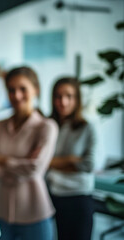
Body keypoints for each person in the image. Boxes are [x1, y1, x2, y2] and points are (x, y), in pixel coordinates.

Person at [0, 66, 58, 240]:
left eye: (23, 89)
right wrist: (20, 165)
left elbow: (35, 168)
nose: (17, 95)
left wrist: (1, 159)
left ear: (36, 90)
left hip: (35, 212)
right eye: (11, 90)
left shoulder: (46, 127)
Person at [47, 77, 97, 240]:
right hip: (51, 195)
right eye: (58, 96)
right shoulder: (47, 125)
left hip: (78, 197)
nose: (63, 101)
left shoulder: (87, 128)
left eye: (69, 96)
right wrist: (70, 160)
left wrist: (50, 162)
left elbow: (88, 165)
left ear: (77, 100)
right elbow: (38, 162)